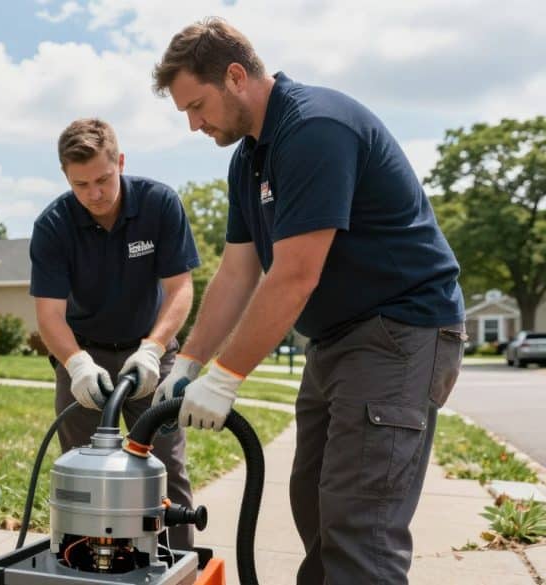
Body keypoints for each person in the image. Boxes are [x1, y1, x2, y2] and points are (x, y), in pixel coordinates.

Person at [150, 18, 466, 584]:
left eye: (197, 106)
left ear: (236, 75)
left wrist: (225, 377)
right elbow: (238, 270)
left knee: (359, 530)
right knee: (315, 506)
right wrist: (191, 361)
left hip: (399, 333)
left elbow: (294, 276)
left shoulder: (316, 127)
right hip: (337, 341)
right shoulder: (248, 159)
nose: (195, 124)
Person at [29, 118, 201, 551]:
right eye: (80, 184)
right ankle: (86, 566)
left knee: (166, 468)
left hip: (149, 353)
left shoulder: (159, 204)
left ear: (120, 162)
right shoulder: (54, 224)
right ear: (66, 177)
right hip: (83, 358)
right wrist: (76, 365)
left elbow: (180, 289)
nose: (95, 194)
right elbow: (49, 315)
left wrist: (153, 349)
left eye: (103, 179)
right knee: (84, 474)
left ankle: (178, 564)